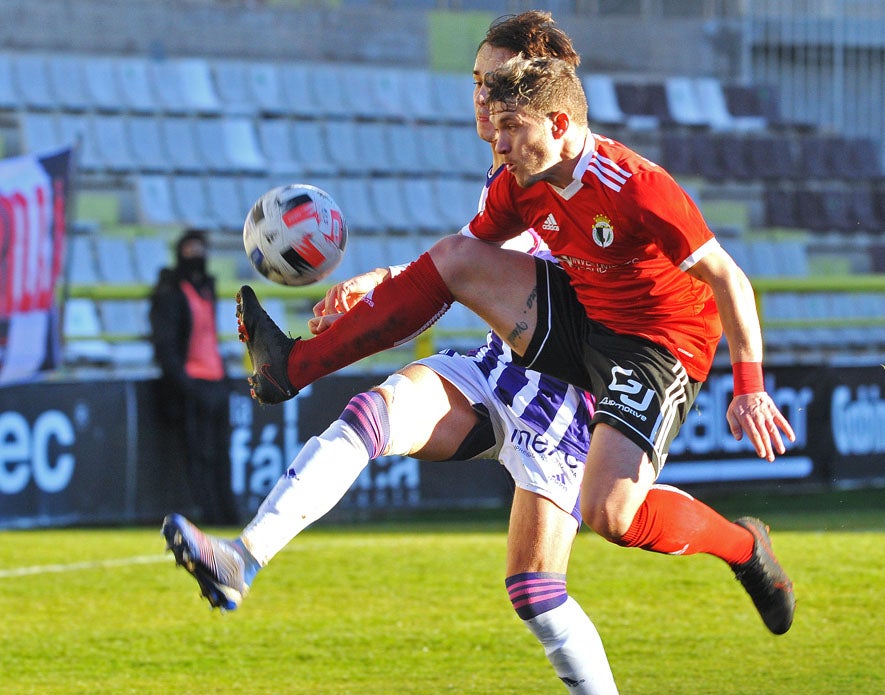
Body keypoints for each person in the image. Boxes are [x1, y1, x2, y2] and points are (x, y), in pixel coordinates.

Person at [231, 51, 798, 635]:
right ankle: (293, 366)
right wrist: (382, 280)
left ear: (556, 124)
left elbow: (730, 278)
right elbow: (456, 261)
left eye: (508, 127)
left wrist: (749, 388)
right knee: (455, 259)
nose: (496, 143)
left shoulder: (639, 187)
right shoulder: (518, 183)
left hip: (655, 342)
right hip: (580, 312)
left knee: (610, 514)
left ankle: (742, 547)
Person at [164, 13, 619, 694]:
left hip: (560, 392)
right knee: (371, 412)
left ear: (533, 90)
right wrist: (384, 283)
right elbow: (465, 255)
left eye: (493, 80)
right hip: (497, 367)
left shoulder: (556, 162)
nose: (480, 94)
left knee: (536, 594)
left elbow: (478, 267)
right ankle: (242, 557)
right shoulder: (506, 170)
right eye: (474, 80)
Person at [150, 228, 237, 525]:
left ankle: (228, 514)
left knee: (222, 454)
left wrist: (223, 379)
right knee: (200, 455)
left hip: (214, 380)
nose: (196, 256)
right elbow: (166, 345)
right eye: (191, 250)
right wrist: (184, 384)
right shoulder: (172, 292)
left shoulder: (206, 289)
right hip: (194, 382)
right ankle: (210, 515)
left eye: (200, 250)